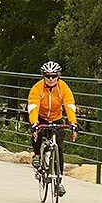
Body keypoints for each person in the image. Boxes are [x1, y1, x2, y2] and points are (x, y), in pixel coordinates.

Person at [27, 61, 78, 195]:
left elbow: (69, 105)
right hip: (41, 117)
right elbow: (33, 106)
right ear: (43, 76)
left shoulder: (63, 88)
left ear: (58, 76)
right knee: (37, 133)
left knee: (59, 149)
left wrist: (73, 123)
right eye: (47, 76)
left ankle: (59, 182)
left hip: (56, 118)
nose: (50, 79)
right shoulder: (37, 88)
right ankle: (37, 155)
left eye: (53, 76)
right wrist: (34, 123)